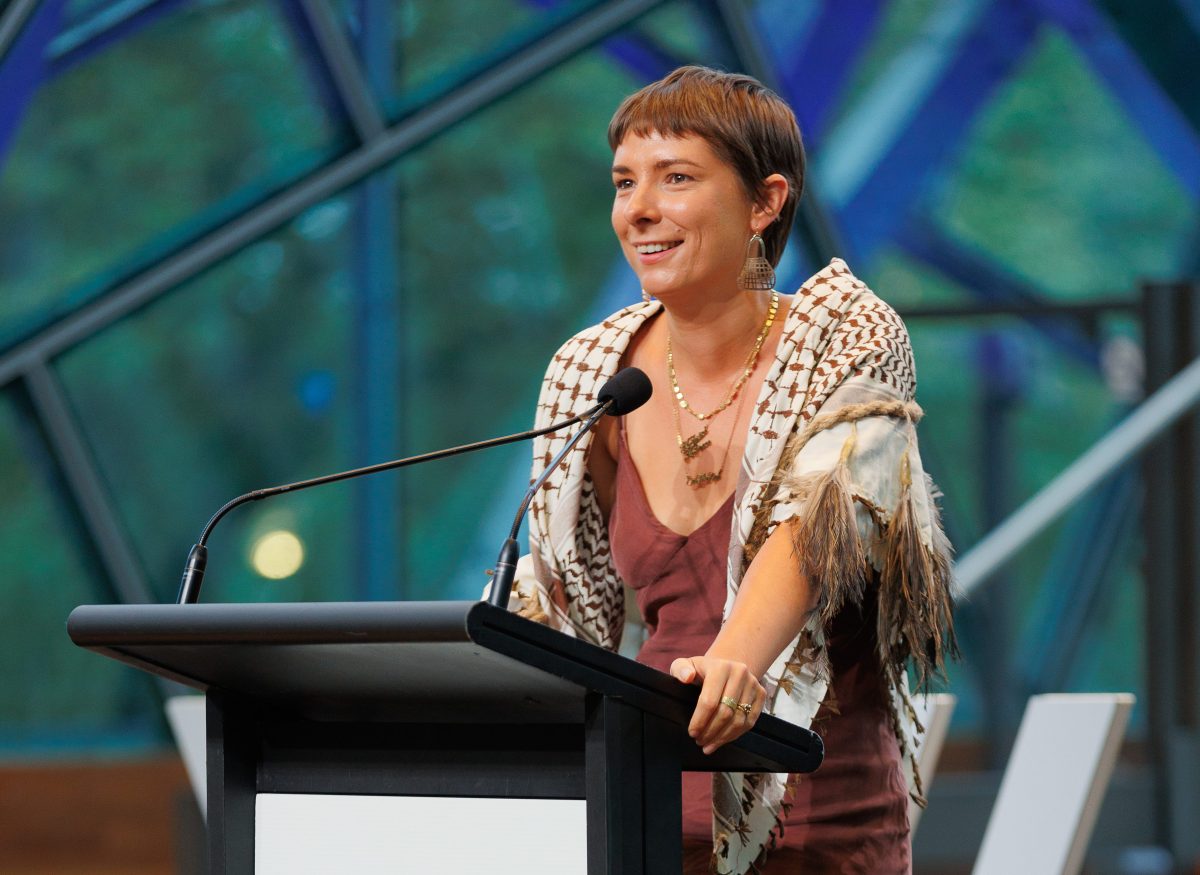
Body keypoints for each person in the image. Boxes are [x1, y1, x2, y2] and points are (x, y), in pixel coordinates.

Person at [506, 66, 956, 874]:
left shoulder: (847, 334)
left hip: (817, 815)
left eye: (675, 178)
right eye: (623, 182)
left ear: (764, 201)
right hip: (634, 809)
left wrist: (736, 661)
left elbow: (823, 523)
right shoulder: (591, 372)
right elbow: (563, 602)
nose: (638, 208)